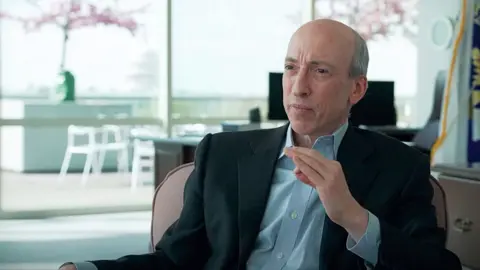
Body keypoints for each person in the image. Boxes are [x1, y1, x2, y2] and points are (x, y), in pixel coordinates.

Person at [60, 19, 462, 270]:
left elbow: (437, 266)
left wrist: (354, 216)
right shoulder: (222, 155)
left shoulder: (400, 165)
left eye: (320, 71)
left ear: (356, 89)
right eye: (291, 68)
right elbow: (174, 260)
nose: (298, 86)